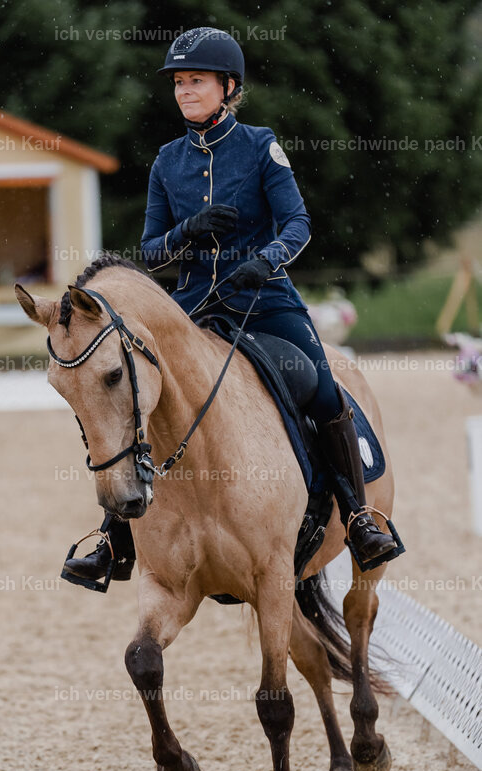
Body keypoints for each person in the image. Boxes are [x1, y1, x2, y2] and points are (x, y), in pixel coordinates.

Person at [64, 26, 400, 586]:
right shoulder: (167, 162)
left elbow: (298, 223)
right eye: (178, 83)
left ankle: (360, 515)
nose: (184, 91)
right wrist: (186, 232)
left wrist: (265, 261)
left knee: (319, 384)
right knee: (134, 397)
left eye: (196, 81)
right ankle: (113, 537)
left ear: (228, 86)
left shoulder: (260, 145)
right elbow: (148, 251)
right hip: (192, 307)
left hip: (266, 300)